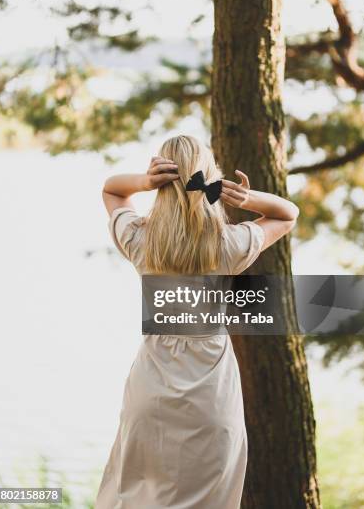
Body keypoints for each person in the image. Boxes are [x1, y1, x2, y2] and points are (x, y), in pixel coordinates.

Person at [95, 135, 299, 509]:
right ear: (210, 179)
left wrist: (143, 182)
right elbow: (288, 214)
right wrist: (246, 199)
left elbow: (111, 191)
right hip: (211, 394)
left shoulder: (140, 239)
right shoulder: (229, 245)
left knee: (142, 494)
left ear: (161, 180)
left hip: (151, 388)